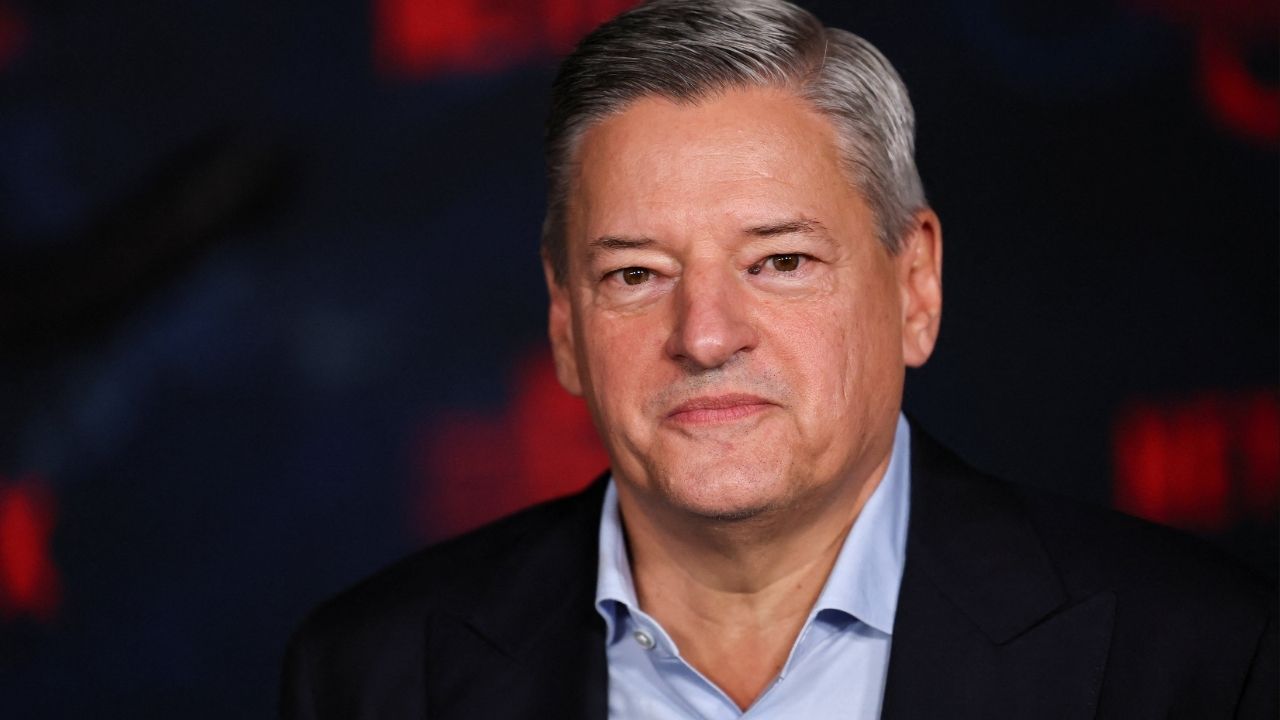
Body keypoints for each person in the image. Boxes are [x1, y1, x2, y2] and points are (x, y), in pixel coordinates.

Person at [280, 1, 1276, 717]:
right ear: (563, 321)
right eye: (634, 274)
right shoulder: (373, 678)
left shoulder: (1189, 661)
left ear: (913, 287)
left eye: (780, 261)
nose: (705, 335)